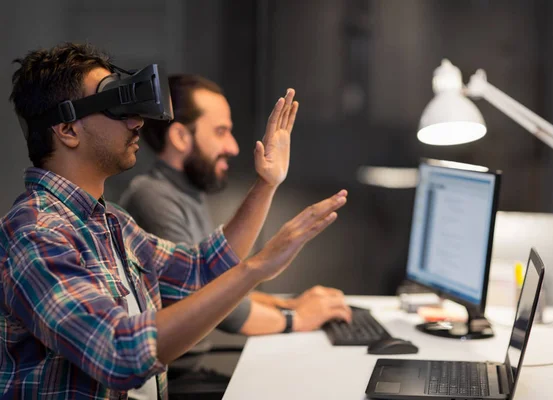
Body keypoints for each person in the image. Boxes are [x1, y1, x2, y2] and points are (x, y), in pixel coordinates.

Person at [0, 42, 348, 399]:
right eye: (115, 108)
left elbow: (201, 271)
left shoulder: (112, 223)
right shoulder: (35, 234)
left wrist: (267, 183)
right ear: (68, 130)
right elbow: (119, 352)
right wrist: (256, 268)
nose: (136, 122)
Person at [120, 75, 351, 341]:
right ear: (181, 137)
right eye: (220, 132)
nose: (233, 146)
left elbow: (215, 283)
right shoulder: (153, 197)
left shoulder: (185, 192)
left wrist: (290, 305)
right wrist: (297, 319)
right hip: (182, 376)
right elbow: (207, 298)